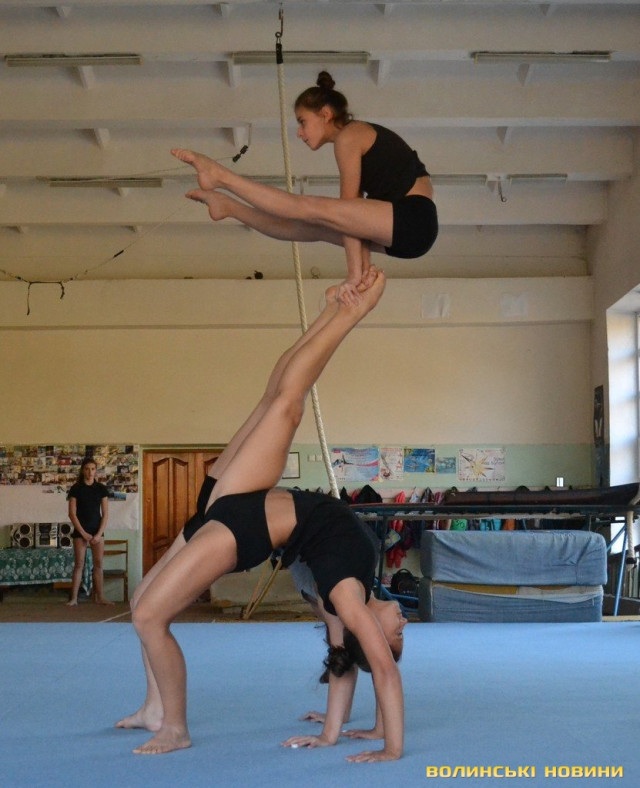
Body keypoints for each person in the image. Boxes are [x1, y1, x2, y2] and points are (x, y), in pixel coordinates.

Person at [115, 267, 407, 762]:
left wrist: (391, 748)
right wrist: (336, 731)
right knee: (275, 395)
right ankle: (154, 707)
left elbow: (382, 669)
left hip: (243, 524)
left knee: (148, 616)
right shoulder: (350, 598)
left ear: (374, 633)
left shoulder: (349, 602)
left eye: (397, 633)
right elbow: (345, 661)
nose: (403, 623)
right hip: (235, 504)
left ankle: (176, 727)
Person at [171, 71, 438, 304]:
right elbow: (356, 220)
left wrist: (354, 276)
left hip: (413, 219)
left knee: (309, 207)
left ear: (325, 114)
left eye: (302, 121)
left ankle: (220, 176)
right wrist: (363, 270)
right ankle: (229, 207)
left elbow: (348, 211)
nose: (300, 132)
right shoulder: (353, 138)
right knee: (310, 226)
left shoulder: (350, 136)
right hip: (407, 235)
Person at [66, 457, 113, 606]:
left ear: (96, 471)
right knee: (79, 564)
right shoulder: (76, 488)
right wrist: (83, 533)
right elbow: (72, 514)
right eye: (87, 469)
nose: (90, 472)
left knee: (98, 564)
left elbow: (105, 514)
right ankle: (74, 598)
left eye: (92, 469)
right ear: (82, 471)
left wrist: (98, 534)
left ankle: (100, 597)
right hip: (81, 530)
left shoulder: (101, 489)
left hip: (97, 530)